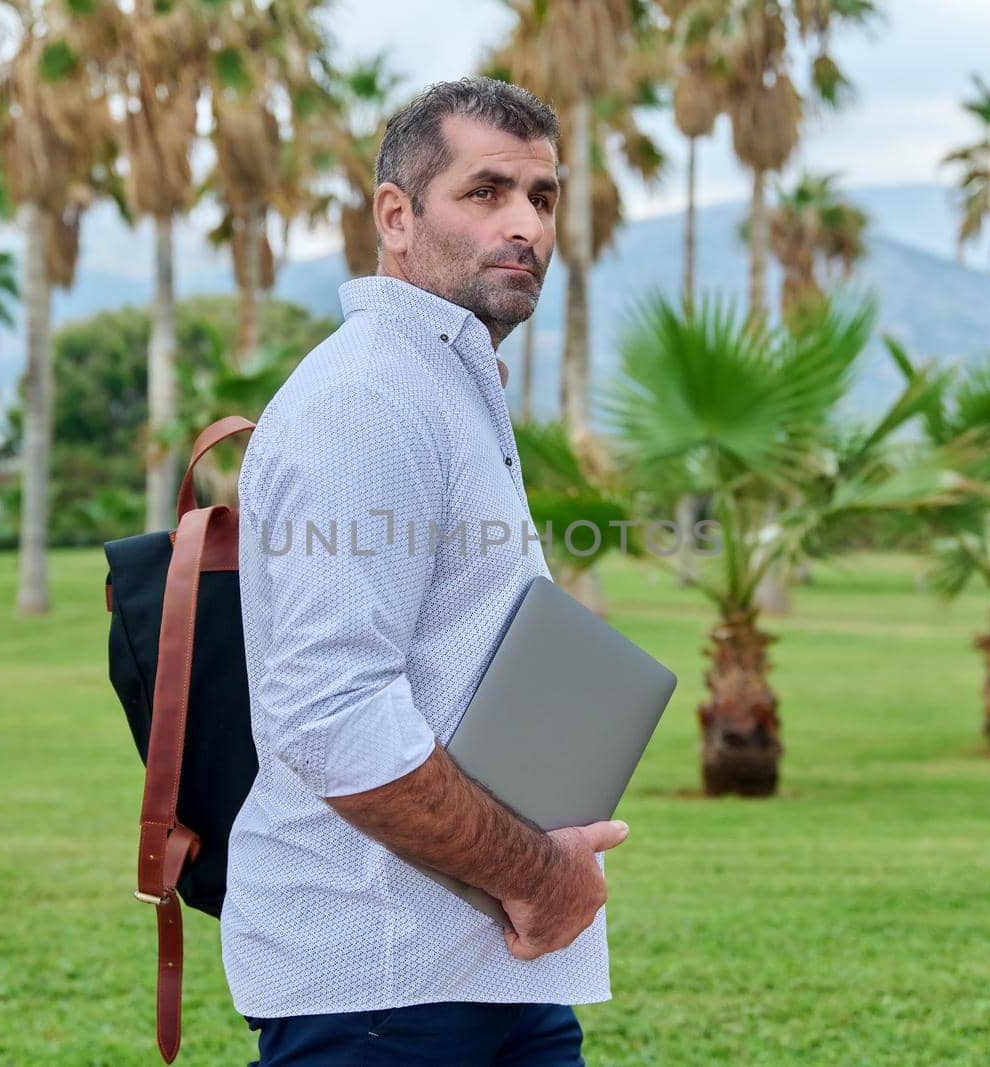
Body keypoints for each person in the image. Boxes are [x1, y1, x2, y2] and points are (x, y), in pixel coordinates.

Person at [223, 76, 629, 1065]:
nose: (525, 224)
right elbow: (330, 709)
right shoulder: (368, 398)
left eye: (541, 197)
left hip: (485, 969)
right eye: (486, 192)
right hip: (382, 987)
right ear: (395, 216)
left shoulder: (448, 383)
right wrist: (537, 875)